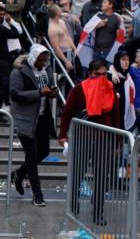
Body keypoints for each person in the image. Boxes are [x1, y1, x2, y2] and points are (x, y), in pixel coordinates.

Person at [59, 59, 121, 224]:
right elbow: (67, 113)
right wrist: (62, 135)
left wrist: (118, 144)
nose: (100, 78)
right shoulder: (79, 90)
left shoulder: (110, 90)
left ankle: (98, 211)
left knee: (101, 177)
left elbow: (116, 118)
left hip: (104, 138)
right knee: (77, 174)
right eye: (96, 74)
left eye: (103, 74)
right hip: (83, 137)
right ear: (90, 74)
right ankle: (74, 206)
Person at [10, 44, 57, 207]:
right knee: (31, 155)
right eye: (41, 60)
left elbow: (48, 87)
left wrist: (52, 92)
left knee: (44, 151)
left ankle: (19, 173)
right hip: (26, 119)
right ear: (33, 58)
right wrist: (38, 93)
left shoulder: (46, 71)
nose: (43, 63)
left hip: (43, 117)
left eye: (45, 60)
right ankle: (38, 194)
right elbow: (15, 94)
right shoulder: (18, 72)